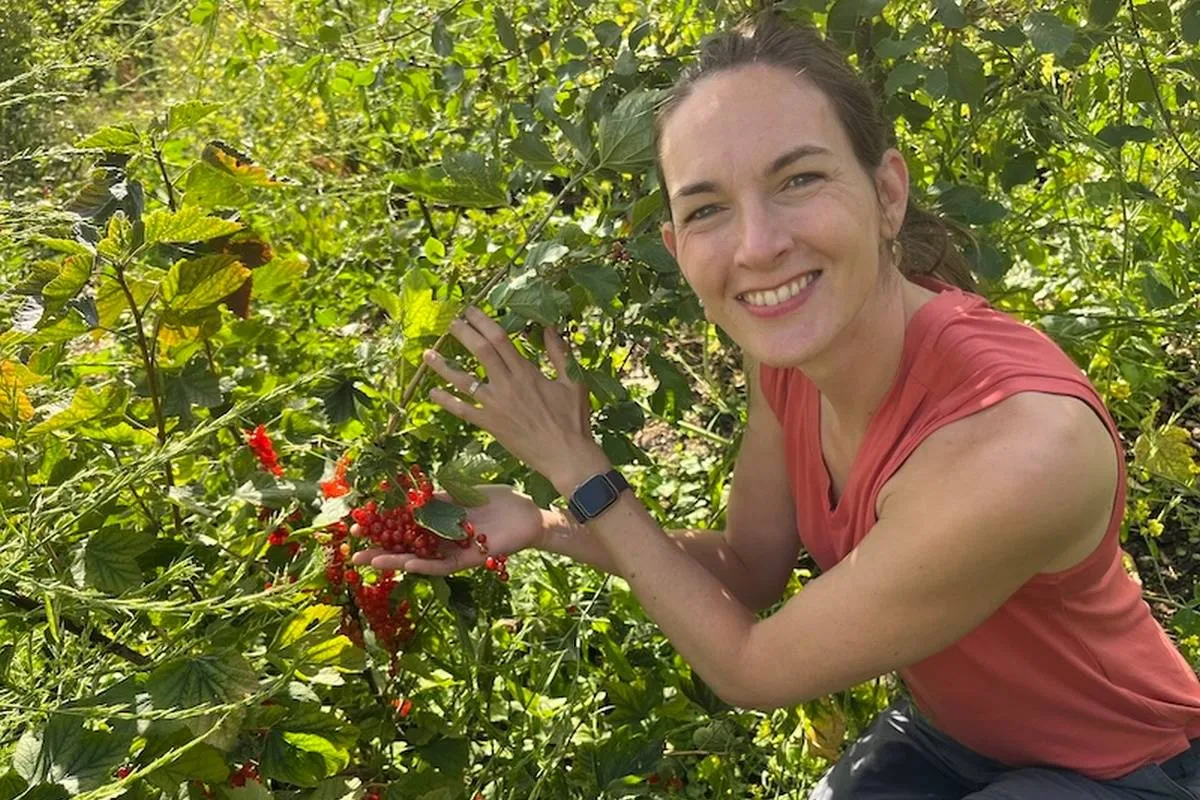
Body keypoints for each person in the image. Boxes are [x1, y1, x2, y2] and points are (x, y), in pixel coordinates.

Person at [354, 12, 1200, 798]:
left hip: (1120, 769)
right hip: (954, 737)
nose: (758, 245)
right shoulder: (790, 369)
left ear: (887, 193)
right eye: (709, 207)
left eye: (798, 178)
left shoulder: (1016, 444)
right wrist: (547, 525)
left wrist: (581, 469)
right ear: (679, 248)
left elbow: (753, 669)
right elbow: (749, 571)